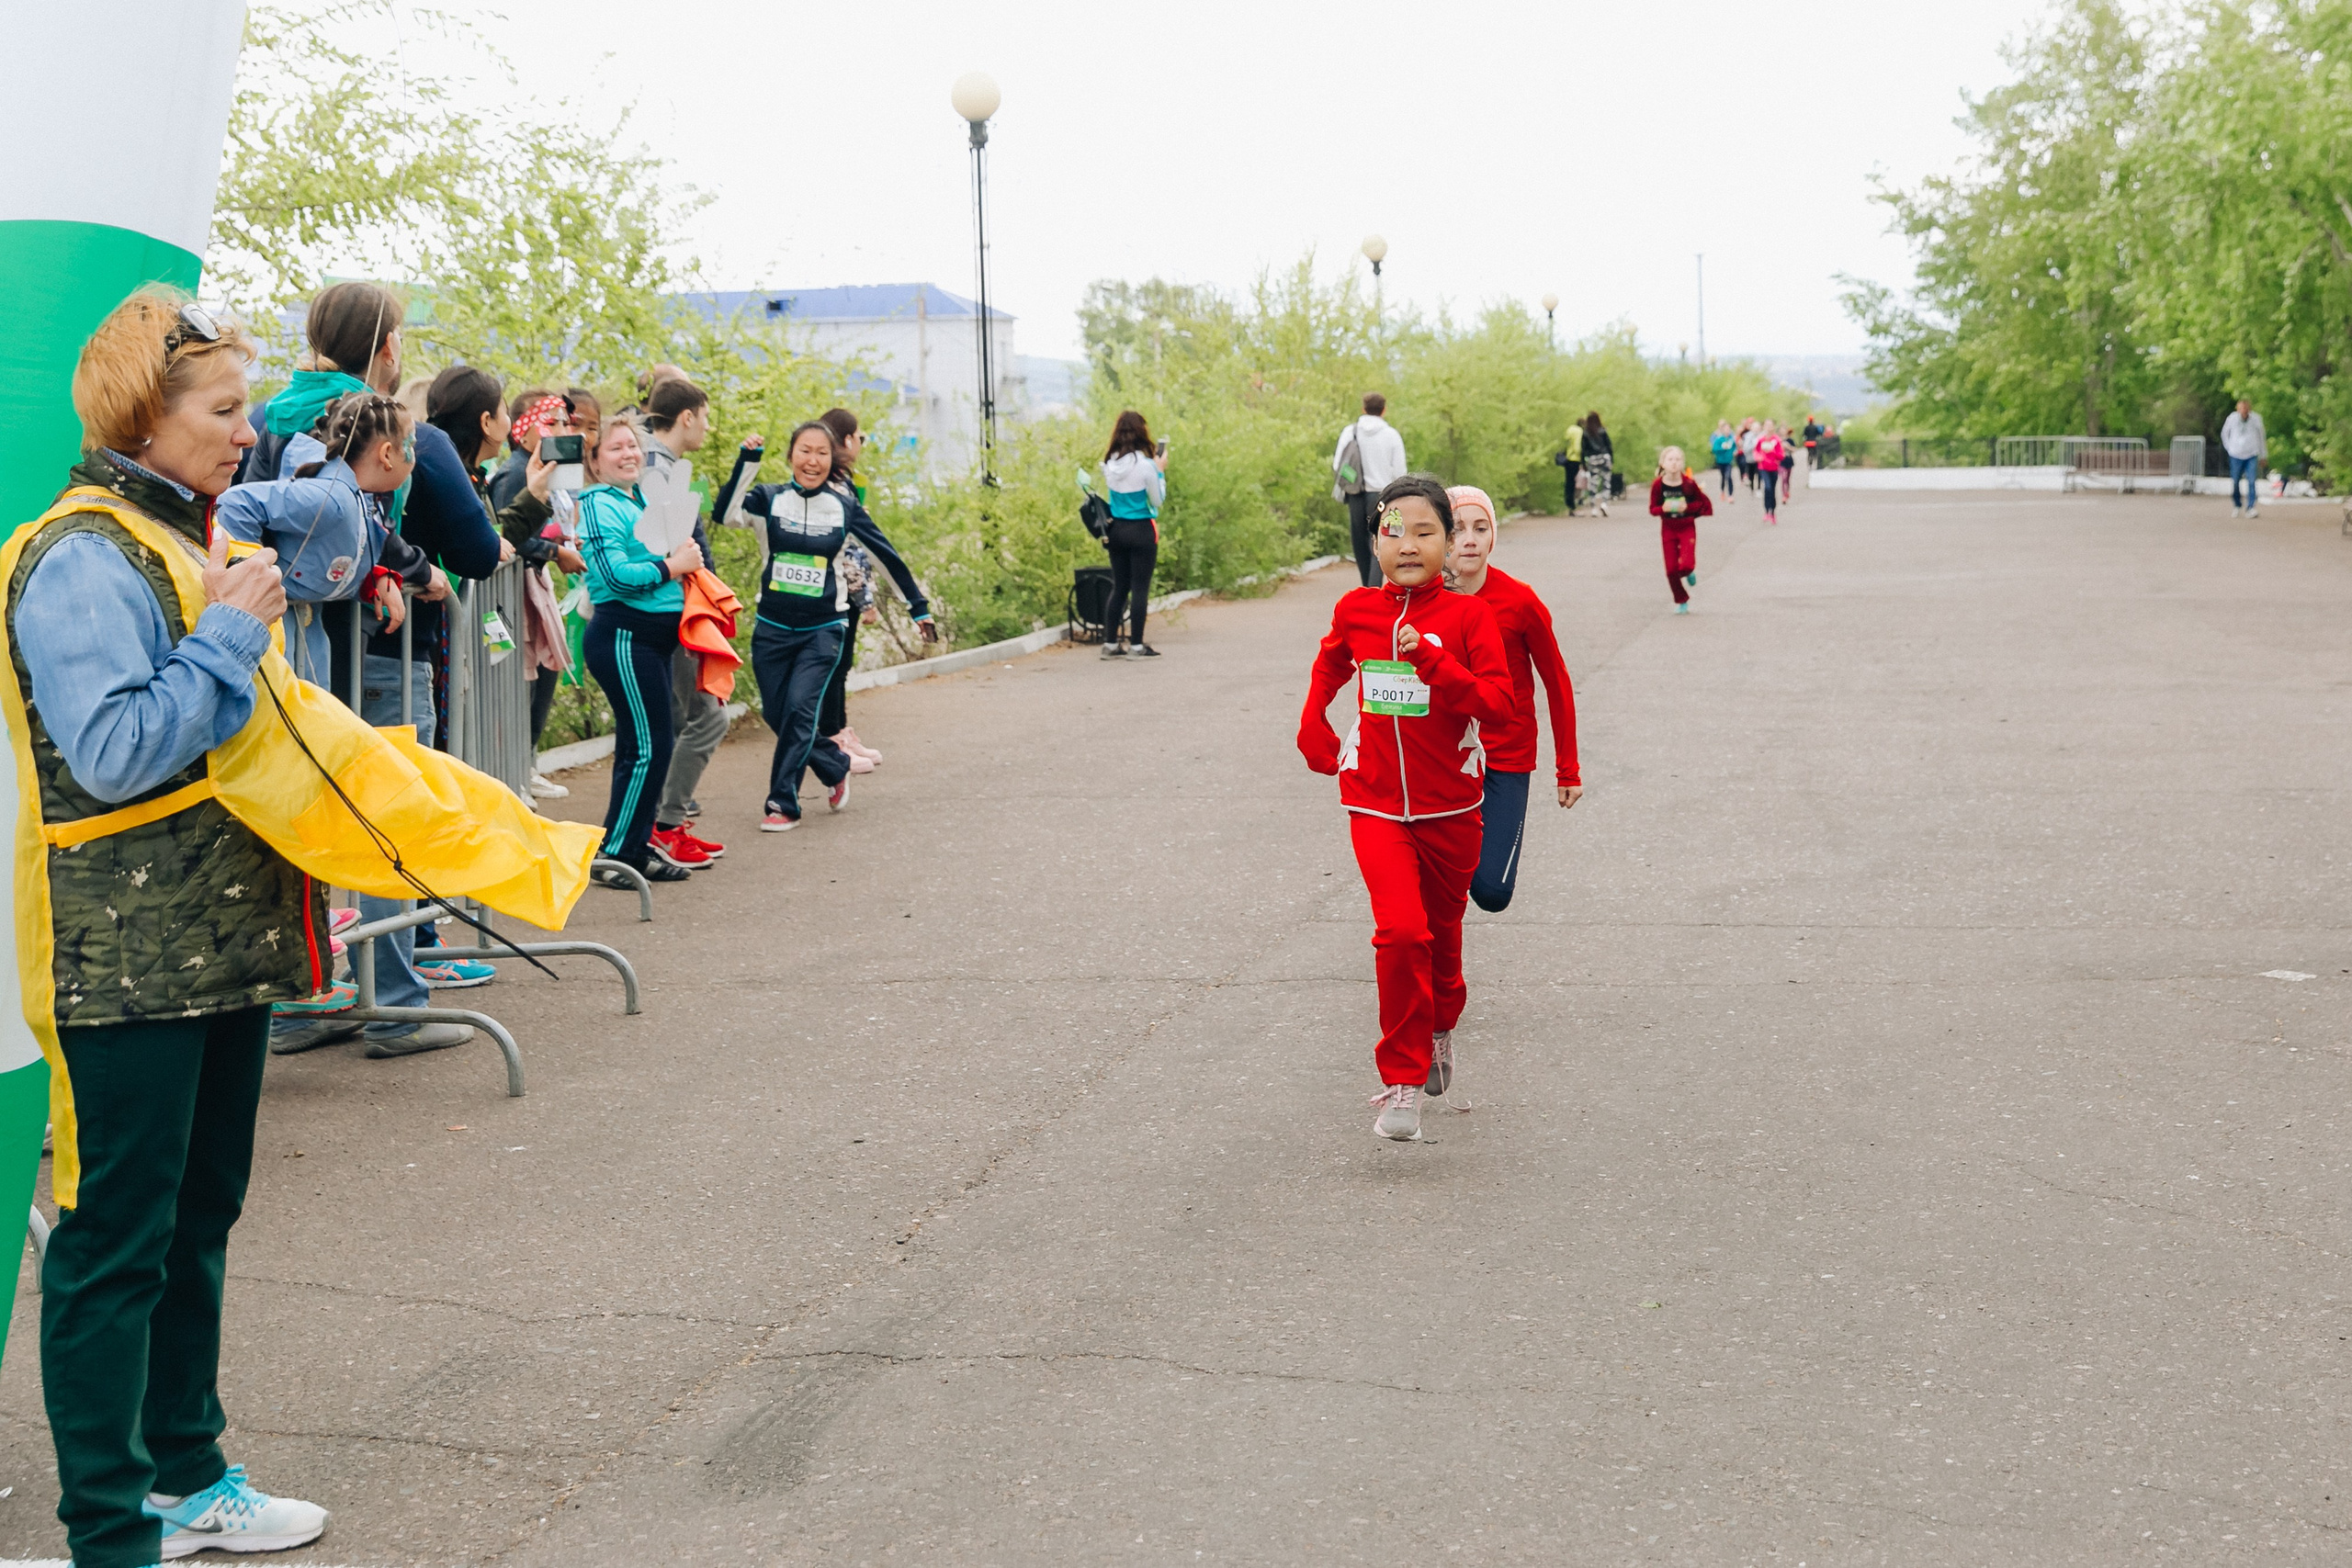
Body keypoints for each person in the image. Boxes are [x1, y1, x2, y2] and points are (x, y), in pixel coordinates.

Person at [13, 287, 333, 1567]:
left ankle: (187, 1475)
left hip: (214, 943)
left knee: (196, 1217)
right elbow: (110, 749)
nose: (246, 432)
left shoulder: (173, 535)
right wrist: (226, 636)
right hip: (124, 959)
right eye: (222, 409)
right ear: (144, 419)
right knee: (112, 1242)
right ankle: (108, 1529)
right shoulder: (77, 551)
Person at [1296, 476, 1513, 1142]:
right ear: (1375, 540)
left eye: (1427, 532)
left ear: (1449, 544)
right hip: (1376, 803)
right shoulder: (1356, 609)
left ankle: (1442, 1022)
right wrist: (1313, 721)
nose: (1410, 544)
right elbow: (1330, 664)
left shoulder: (1469, 618)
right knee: (1401, 933)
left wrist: (1439, 669)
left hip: (1453, 807)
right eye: (1395, 530)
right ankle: (1402, 1078)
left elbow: (1500, 706)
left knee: (1441, 941)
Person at [715, 422, 934, 830]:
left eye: (821, 453)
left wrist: (917, 607)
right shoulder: (769, 499)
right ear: (791, 455)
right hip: (773, 628)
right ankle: (834, 765)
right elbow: (724, 514)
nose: (812, 460)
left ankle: (783, 803)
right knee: (778, 715)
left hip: (824, 628)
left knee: (800, 710)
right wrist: (747, 461)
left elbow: (885, 555)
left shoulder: (843, 507)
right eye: (804, 450)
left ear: (832, 461)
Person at [1443, 487, 1582, 947]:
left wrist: (1568, 767)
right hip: (1441, 758)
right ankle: (1436, 961)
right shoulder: (1420, 600)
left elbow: (1557, 683)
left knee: (1492, 890)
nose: (1468, 539)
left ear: (1492, 537)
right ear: (1440, 537)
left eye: (1479, 528)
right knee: (1436, 891)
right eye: (1458, 528)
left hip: (1506, 757)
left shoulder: (1520, 601)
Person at [576, 415, 703, 885]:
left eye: (633, 446)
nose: (629, 454)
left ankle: (630, 842)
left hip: (652, 639)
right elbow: (613, 577)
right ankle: (617, 855)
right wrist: (672, 565)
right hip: (623, 636)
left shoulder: (639, 498)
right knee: (651, 746)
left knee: (642, 745)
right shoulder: (596, 503)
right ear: (593, 459)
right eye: (615, 448)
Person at [641, 376, 730, 869]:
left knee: (683, 718)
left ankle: (665, 823)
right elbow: (672, 548)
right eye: (706, 416)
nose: (707, 427)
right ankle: (665, 825)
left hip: (680, 609)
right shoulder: (656, 468)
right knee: (706, 716)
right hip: (674, 611)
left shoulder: (663, 464)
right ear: (688, 417)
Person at [816, 407, 887, 770]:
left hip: (837, 591)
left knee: (838, 667)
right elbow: (851, 552)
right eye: (860, 437)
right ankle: (833, 738)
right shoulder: (837, 486)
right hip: (839, 592)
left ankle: (839, 731)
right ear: (846, 439)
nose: (862, 443)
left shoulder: (840, 481)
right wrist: (866, 600)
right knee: (834, 666)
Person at [1100, 409, 1168, 658]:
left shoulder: (1110, 464)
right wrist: (1160, 471)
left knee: (1119, 587)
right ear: (1142, 433)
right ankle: (1136, 645)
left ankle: (1109, 644)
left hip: (1116, 530)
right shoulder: (1146, 466)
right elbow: (1157, 500)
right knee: (1140, 588)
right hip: (1141, 530)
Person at [1333, 393, 1409, 586]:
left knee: (1359, 542)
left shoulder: (1350, 432)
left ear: (1363, 408)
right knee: (1380, 540)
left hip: (1356, 494)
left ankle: (1366, 588)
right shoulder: (1391, 435)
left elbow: (1338, 465)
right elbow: (1400, 471)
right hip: (1382, 495)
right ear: (1384, 410)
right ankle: (1375, 587)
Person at [1650, 445, 1715, 613]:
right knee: (1671, 570)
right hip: (1668, 528)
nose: (1674, 463)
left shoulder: (1688, 484)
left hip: (1686, 526)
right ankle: (1681, 600)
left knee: (1686, 565)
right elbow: (1652, 509)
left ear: (1682, 463)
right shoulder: (1658, 485)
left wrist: (1686, 507)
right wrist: (1662, 509)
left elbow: (1700, 503)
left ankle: (1689, 572)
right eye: (1670, 459)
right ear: (1662, 463)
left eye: (1678, 459)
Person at [2222, 398, 2267, 516]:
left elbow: (2261, 437)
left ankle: (2251, 507)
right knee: (2236, 481)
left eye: (2246, 408)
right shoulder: (2232, 418)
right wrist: (2229, 448)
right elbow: (2224, 434)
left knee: (2252, 481)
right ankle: (2237, 504)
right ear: (2238, 409)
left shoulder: (2256, 419)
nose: (2244, 411)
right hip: (2236, 454)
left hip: (2251, 454)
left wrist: (2263, 455)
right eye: (2242, 408)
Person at [1578, 412, 1614, 516]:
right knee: (1606, 482)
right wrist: (1611, 460)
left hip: (1592, 459)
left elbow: (1583, 449)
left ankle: (1593, 507)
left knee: (1593, 483)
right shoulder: (1602, 430)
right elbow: (1609, 446)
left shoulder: (1586, 433)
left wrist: (1583, 463)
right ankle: (1604, 503)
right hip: (1604, 457)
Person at [1755, 421, 1787, 523]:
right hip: (1763, 467)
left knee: (1772, 489)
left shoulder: (1776, 440)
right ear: (1763, 427)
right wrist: (1758, 457)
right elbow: (1756, 451)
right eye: (1766, 426)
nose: (1768, 428)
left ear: (1773, 427)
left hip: (1773, 468)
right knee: (1767, 487)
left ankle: (1772, 512)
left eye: (1770, 426)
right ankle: (1766, 511)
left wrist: (1772, 451)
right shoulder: (1761, 439)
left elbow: (1781, 455)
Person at [1557, 418, 1585, 513]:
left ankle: (1568, 503)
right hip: (1575, 459)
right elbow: (1577, 447)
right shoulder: (1579, 432)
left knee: (1568, 483)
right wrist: (1582, 457)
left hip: (1567, 459)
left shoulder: (1570, 430)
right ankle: (1572, 506)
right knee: (1575, 484)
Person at [1708, 420, 1739, 498]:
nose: (1727, 431)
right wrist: (1723, 448)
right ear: (1722, 430)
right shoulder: (1719, 439)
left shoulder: (1731, 439)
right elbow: (1714, 450)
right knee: (1723, 477)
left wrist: (1735, 451)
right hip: (1721, 461)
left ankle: (1730, 495)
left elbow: (1735, 447)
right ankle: (1722, 491)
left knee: (1728, 476)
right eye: (1726, 429)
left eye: (1729, 429)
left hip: (1729, 461)